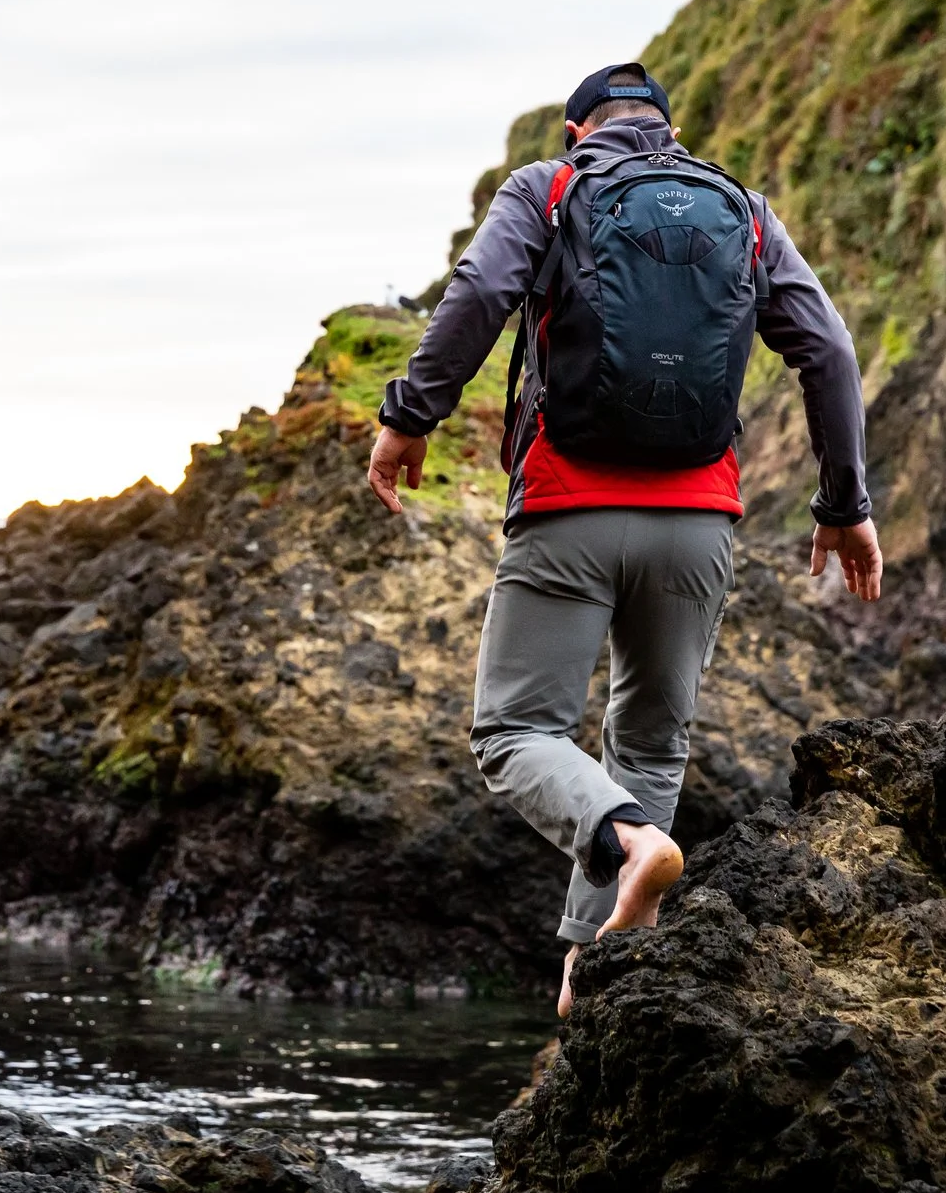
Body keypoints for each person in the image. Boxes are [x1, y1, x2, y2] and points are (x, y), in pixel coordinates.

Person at [366, 63, 881, 1016]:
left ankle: (630, 843)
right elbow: (828, 348)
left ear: (577, 131)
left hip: (569, 508)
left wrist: (410, 414)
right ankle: (591, 969)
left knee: (516, 731)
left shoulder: (551, 187)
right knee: (648, 742)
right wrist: (844, 503)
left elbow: (480, 292)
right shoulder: (743, 209)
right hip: (698, 523)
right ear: (669, 135)